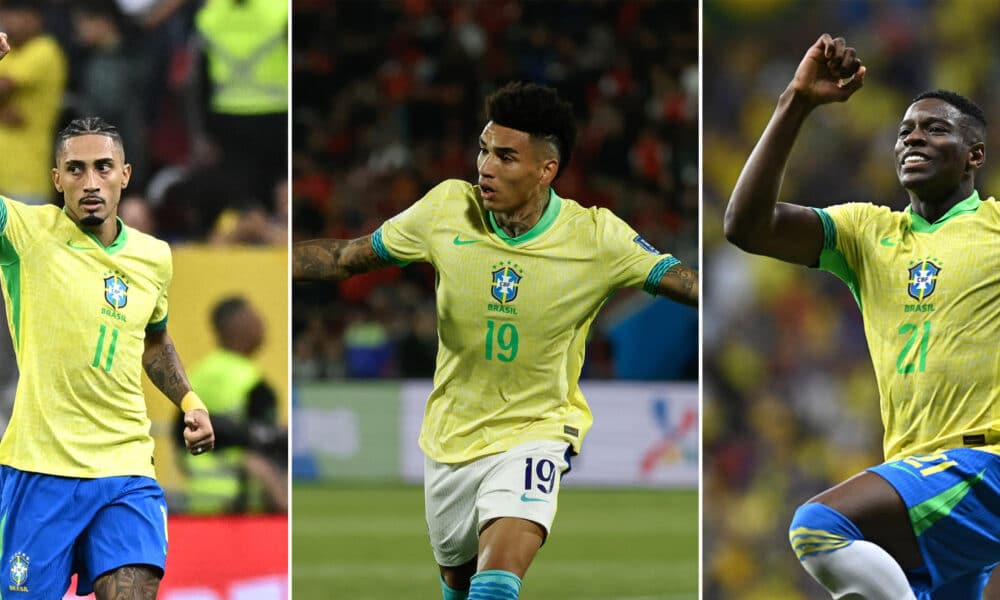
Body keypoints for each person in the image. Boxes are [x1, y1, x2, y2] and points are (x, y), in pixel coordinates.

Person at [293, 81, 698, 600]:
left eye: (506, 157)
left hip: (537, 430)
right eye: (484, 150)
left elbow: (681, 281)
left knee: (495, 587)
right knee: (459, 585)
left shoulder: (597, 237)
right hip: (450, 437)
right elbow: (346, 257)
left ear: (545, 170)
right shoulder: (445, 209)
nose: (485, 166)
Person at [724, 34, 1000, 599]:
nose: (914, 138)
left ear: (975, 155)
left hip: (983, 465)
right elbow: (746, 227)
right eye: (904, 132)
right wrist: (796, 102)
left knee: (820, 527)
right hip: (923, 482)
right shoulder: (868, 233)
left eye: (935, 128)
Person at [0, 32, 214, 598]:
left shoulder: (154, 257)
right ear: (56, 180)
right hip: (39, 467)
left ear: (125, 175)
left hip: (126, 467)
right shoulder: (25, 234)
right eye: (75, 170)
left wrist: (189, 402)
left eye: (102, 168)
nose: (89, 182)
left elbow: (154, 341)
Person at [177, 296, 286, 514]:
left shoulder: (196, 375)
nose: (262, 327)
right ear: (239, 328)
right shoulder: (252, 381)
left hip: (200, 497)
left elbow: (176, 432)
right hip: (243, 501)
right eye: (256, 321)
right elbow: (264, 437)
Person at [0, 0, 66, 204]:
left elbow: (3, 86)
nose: (8, 21)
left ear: (34, 18)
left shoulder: (44, 51)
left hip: (26, 181)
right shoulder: (8, 53)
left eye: (16, 14)